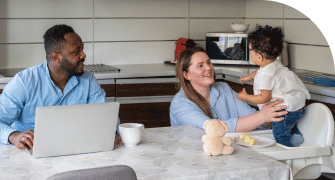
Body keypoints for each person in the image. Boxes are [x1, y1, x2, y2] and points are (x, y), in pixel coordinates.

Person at [0, 24, 121, 150]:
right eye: (75, 52)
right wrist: (13, 136)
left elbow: (107, 116)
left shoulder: (88, 80)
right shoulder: (24, 82)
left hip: (77, 150)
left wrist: (111, 131)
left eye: (82, 49)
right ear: (55, 57)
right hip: (31, 153)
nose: (83, 55)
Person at [170, 46, 288, 133]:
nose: (209, 68)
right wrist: (262, 116)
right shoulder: (180, 105)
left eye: (209, 63)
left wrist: (272, 113)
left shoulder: (223, 88)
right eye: (200, 66)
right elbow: (215, 129)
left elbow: (253, 118)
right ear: (186, 75)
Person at [237, 25, 311, 147]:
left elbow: (264, 98)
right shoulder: (273, 63)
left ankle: (288, 152)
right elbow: (260, 70)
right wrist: (250, 77)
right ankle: (296, 137)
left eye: (250, 52)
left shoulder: (267, 75)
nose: (250, 54)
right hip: (297, 106)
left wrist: (247, 97)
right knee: (288, 125)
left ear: (259, 57)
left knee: (279, 134)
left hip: (285, 110)